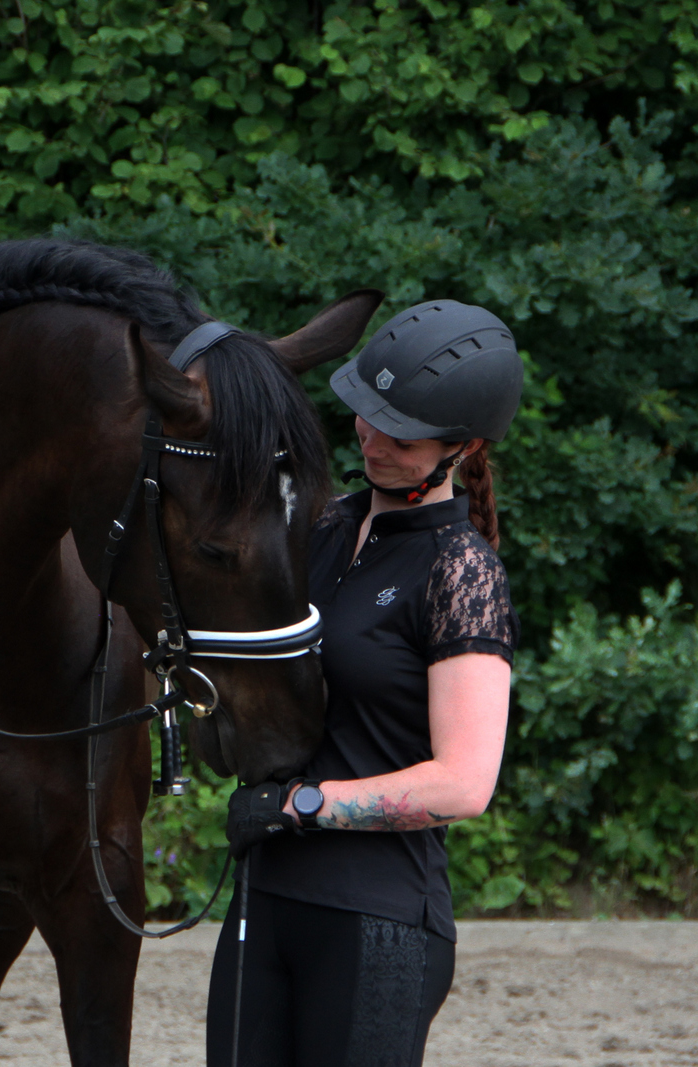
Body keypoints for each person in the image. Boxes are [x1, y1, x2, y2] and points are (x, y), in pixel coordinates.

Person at [207, 299, 524, 1067]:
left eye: (402, 433)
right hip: (265, 895)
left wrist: (302, 805)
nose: (372, 439)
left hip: (377, 917)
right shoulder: (313, 529)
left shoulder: (461, 570)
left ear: (464, 446)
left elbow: (463, 783)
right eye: (364, 415)